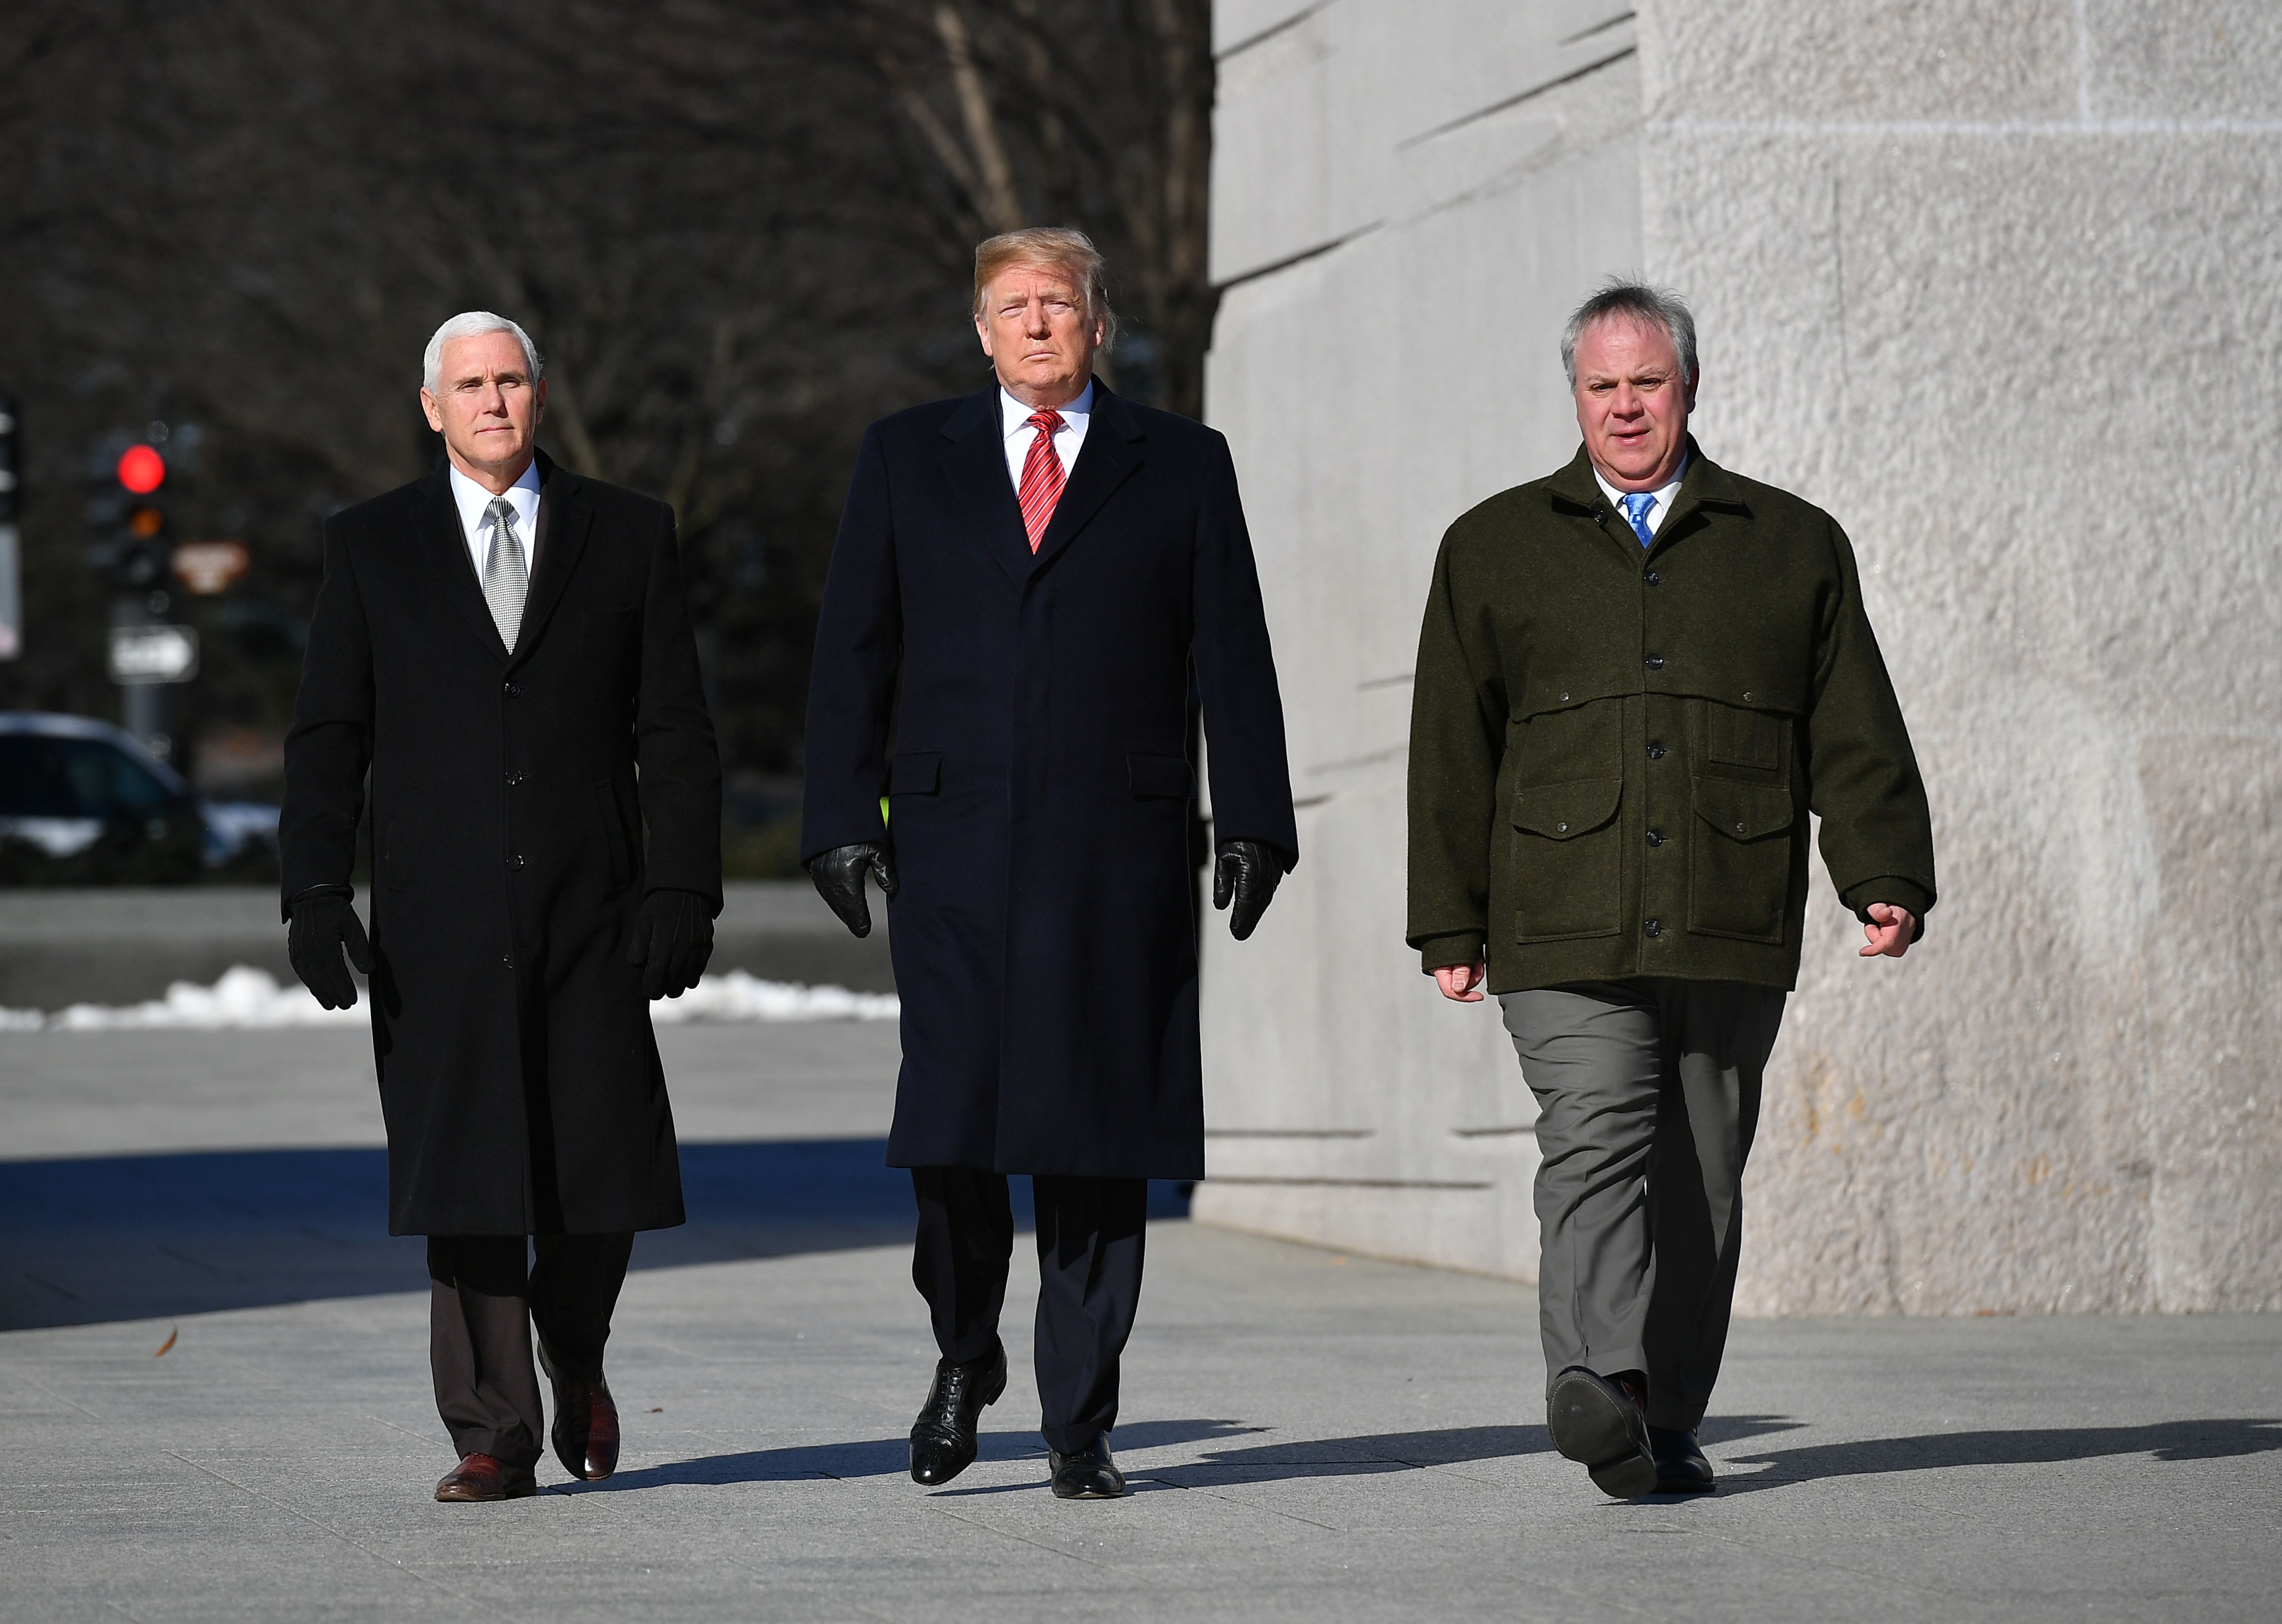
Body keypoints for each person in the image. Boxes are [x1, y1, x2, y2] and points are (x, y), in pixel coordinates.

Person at [1406, 281, 1935, 1498]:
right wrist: (1449, 915)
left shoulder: (1790, 541)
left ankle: (1669, 1410)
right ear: (1574, 396)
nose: (1627, 405)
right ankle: (1601, 1384)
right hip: (1558, 916)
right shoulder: (1491, 544)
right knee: (1593, 1138)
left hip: (1726, 913)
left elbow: (1855, 723)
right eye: (1603, 385)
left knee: (1701, 1173)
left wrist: (1883, 869)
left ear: (1688, 387)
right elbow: (1451, 740)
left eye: (1648, 382)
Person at [802, 228, 1297, 1500]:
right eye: (1012, 305)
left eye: (1057, 304)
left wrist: (1251, 815)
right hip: (953, 849)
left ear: (1097, 322)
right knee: (954, 1132)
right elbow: (855, 648)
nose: (1035, 324)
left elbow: (1230, 651)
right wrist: (836, 817)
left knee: (1096, 1133)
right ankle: (966, 1354)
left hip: (1113, 854)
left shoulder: (1180, 464)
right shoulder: (909, 456)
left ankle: (1082, 1420)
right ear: (980, 328)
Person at [280, 311, 721, 1502]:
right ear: (432, 406)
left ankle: (573, 1343)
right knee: (466, 1176)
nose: (491, 401)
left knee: (603, 1170)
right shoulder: (370, 545)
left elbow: (673, 728)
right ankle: (493, 1432)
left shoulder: (629, 535)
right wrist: (314, 889)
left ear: (540, 394)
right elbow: (332, 733)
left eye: (511, 380)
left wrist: (684, 882)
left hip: (593, 907)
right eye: (469, 384)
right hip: (439, 921)